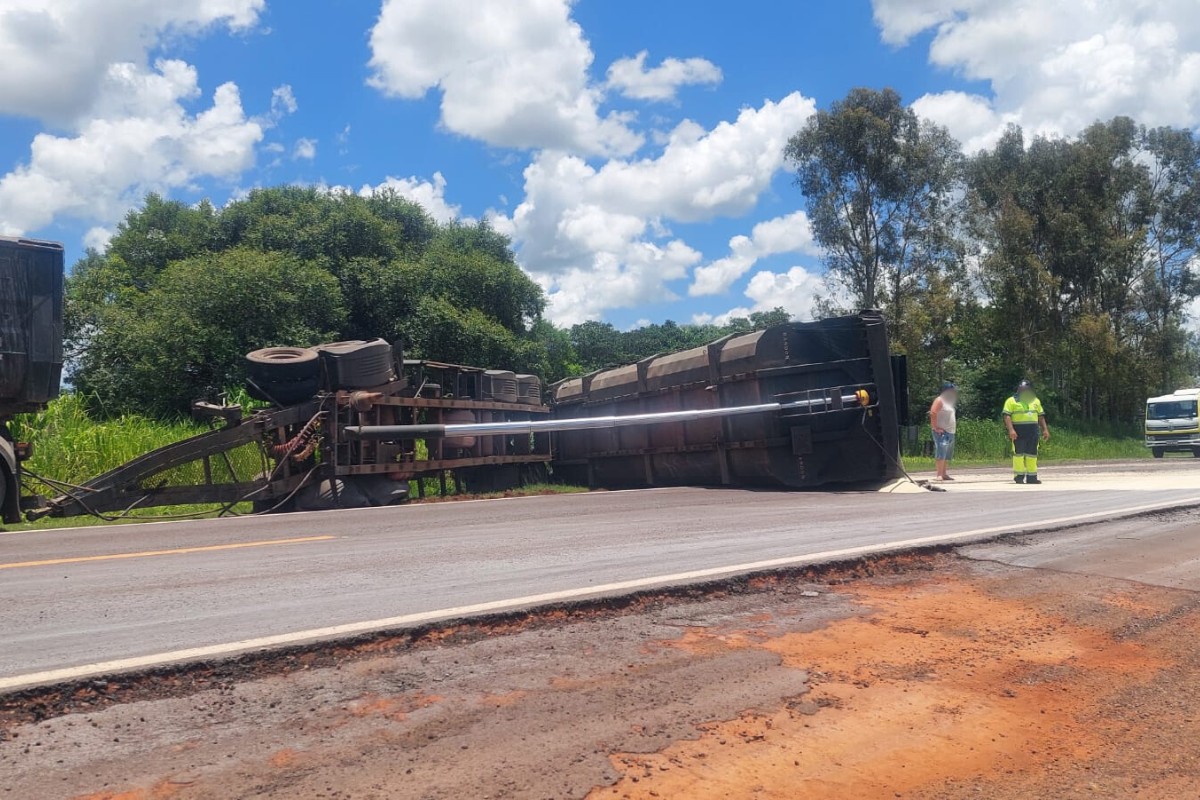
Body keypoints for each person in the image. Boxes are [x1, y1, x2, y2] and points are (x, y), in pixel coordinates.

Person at [1003, 379, 1050, 484]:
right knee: (1018, 454)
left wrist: (1045, 430)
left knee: (1032, 454)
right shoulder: (1011, 401)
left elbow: (1041, 417)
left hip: (1033, 431)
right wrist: (1011, 430)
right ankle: (1019, 476)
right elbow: (1007, 416)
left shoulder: (1035, 401)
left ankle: (1032, 477)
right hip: (1018, 431)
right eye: (1021, 388)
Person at [928, 382, 958, 481]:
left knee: (947, 454)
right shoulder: (939, 400)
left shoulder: (949, 402)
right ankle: (939, 474)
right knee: (941, 452)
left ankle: (944, 473)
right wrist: (935, 427)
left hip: (950, 432)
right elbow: (933, 412)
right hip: (942, 432)